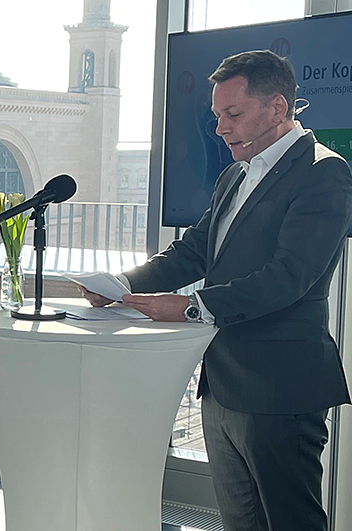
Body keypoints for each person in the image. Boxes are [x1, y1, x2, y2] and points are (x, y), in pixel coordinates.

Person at [81, 50, 352, 530]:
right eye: (217, 115)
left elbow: (291, 275)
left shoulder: (323, 172)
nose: (221, 128)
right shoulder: (234, 174)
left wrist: (192, 307)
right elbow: (192, 253)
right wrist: (121, 286)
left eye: (233, 114)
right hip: (222, 383)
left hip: (281, 388)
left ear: (278, 107)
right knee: (238, 522)